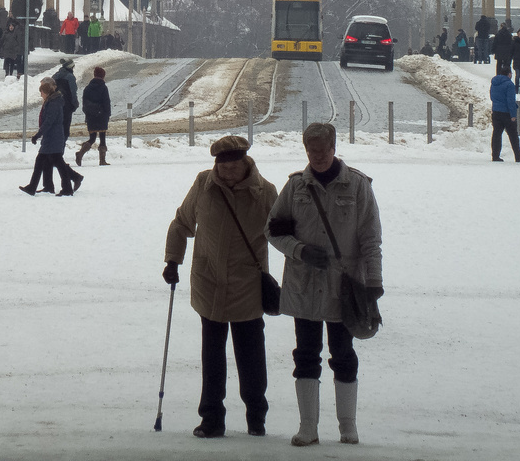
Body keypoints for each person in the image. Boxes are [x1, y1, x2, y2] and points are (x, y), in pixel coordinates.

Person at [266, 123, 383, 446]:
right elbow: (273, 231)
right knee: (305, 353)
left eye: (322, 150)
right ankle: (308, 427)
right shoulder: (295, 187)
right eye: (311, 151)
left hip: (344, 287)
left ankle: (348, 425)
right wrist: (299, 250)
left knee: (343, 353)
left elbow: (371, 238)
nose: (317, 157)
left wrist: (374, 282)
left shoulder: (358, 186)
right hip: (303, 285)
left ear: (334, 148)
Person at [163, 135, 278, 439]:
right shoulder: (204, 184)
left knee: (250, 356)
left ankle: (256, 417)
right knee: (212, 356)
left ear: (245, 162)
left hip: (247, 287)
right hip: (210, 282)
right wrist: (172, 260)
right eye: (221, 165)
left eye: (232, 165)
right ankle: (212, 418)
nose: (225, 171)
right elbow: (182, 223)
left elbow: (282, 234)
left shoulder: (265, 192)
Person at [22, 77, 80, 196]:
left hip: (53, 138)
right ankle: (37, 187)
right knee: (46, 162)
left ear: (46, 92)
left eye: (41, 92)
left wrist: (37, 135)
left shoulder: (54, 103)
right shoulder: (52, 101)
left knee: (56, 163)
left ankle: (67, 188)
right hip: (51, 138)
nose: (41, 95)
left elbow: (49, 121)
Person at [75, 65, 111, 166]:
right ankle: (102, 160)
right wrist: (107, 114)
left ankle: (80, 153)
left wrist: (88, 113)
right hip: (102, 116)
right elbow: (106, 103)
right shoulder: (103, 88)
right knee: (102, 138)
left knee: (92, 138)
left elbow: (84, 103)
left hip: (91, 116)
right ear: (103, 76)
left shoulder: (88, 88)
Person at [489, 69, 520, 162]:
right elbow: (510, 100)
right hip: (506, 113)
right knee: (513, 135)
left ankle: (495, 155)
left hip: (496, 111)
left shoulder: (494, 83)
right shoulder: (509, 84)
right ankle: (518, 156)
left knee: (496, 134)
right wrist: (513, 115)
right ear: (509, 74)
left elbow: (491, 96)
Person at [53, 57, 80, 145]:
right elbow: (73, 92)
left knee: (56, 129)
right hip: (66, 107)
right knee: (65, 131)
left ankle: (56, 151)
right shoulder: (70, 77)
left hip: (55, 106)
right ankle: (59, 152)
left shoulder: (55, 76)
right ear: (70, 67)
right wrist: (75, 104)